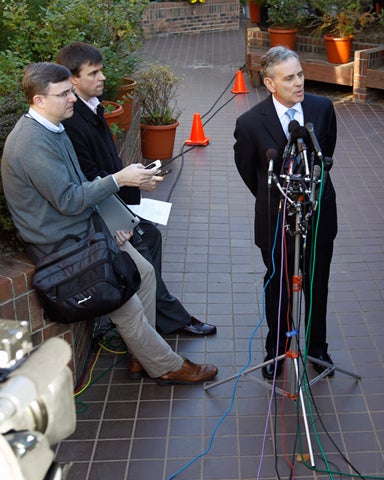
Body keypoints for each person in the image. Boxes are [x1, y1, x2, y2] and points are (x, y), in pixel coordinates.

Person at [1, 62, 218, 384]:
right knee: (124, 303)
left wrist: (110, 221)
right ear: (39, 100)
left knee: (142, 272)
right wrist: (119, 179)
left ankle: (140, 356)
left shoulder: (51, 128)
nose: (72, 99)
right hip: (61, 242)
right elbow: (70, 199)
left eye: (70, 92)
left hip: (80, 229)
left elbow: (75, 192)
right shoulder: (31, 143)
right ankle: (166, 365)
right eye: (62, 94)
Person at [56, 42, 217, 337]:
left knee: (151, 236)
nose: (102, 78)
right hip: (98, 212)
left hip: (111, 201)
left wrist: (139, 177)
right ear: (73, 79)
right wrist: (128, 183)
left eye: (101, 70)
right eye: (94, 73)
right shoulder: (73, 121)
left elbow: (105, 162)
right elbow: (89, 177)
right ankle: (169, 320)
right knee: (142, 245)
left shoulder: (91, 109)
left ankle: (153, 316)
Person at [233, 46, 337, 379]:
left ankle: (317, 349)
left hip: (319, 214)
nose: (298, 83)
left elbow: (325, 157)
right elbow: (250, 173)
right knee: (278, 284)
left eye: (300, 75)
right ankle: (276, 350)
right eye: (289, 78)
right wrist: (279, 200)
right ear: (269, 83)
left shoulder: (322, 108)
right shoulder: (249, 123)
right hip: (276, 220)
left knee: (317, 284)